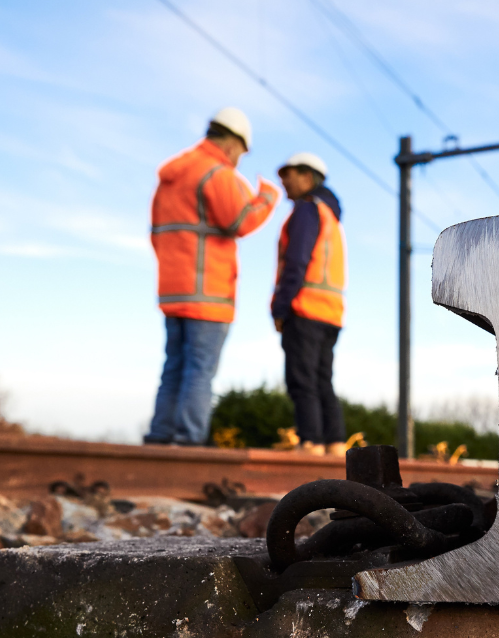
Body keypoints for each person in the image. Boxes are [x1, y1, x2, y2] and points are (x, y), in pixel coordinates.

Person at [145, 107, 280, 446]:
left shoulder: (173, 175)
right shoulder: (215, 173)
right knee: (200, 371)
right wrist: (267, 197)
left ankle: (160, 439)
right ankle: (189, 443)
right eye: (241, 153)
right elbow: (240, 221)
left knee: (173, 368)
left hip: (173, 290)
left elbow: (157, 234)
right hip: (209, 293)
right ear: (233, 144)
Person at [272, 153, 347, 456]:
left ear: (307, 176)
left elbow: (296, 262)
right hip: (331, 313)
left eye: (288, 175)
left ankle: (310, 444)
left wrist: (280, 307)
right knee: (322, 381)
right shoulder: (330, 215)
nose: (284, 182)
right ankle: (335, 445)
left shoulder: (307, 209)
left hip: (305, 309)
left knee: (302, 380)